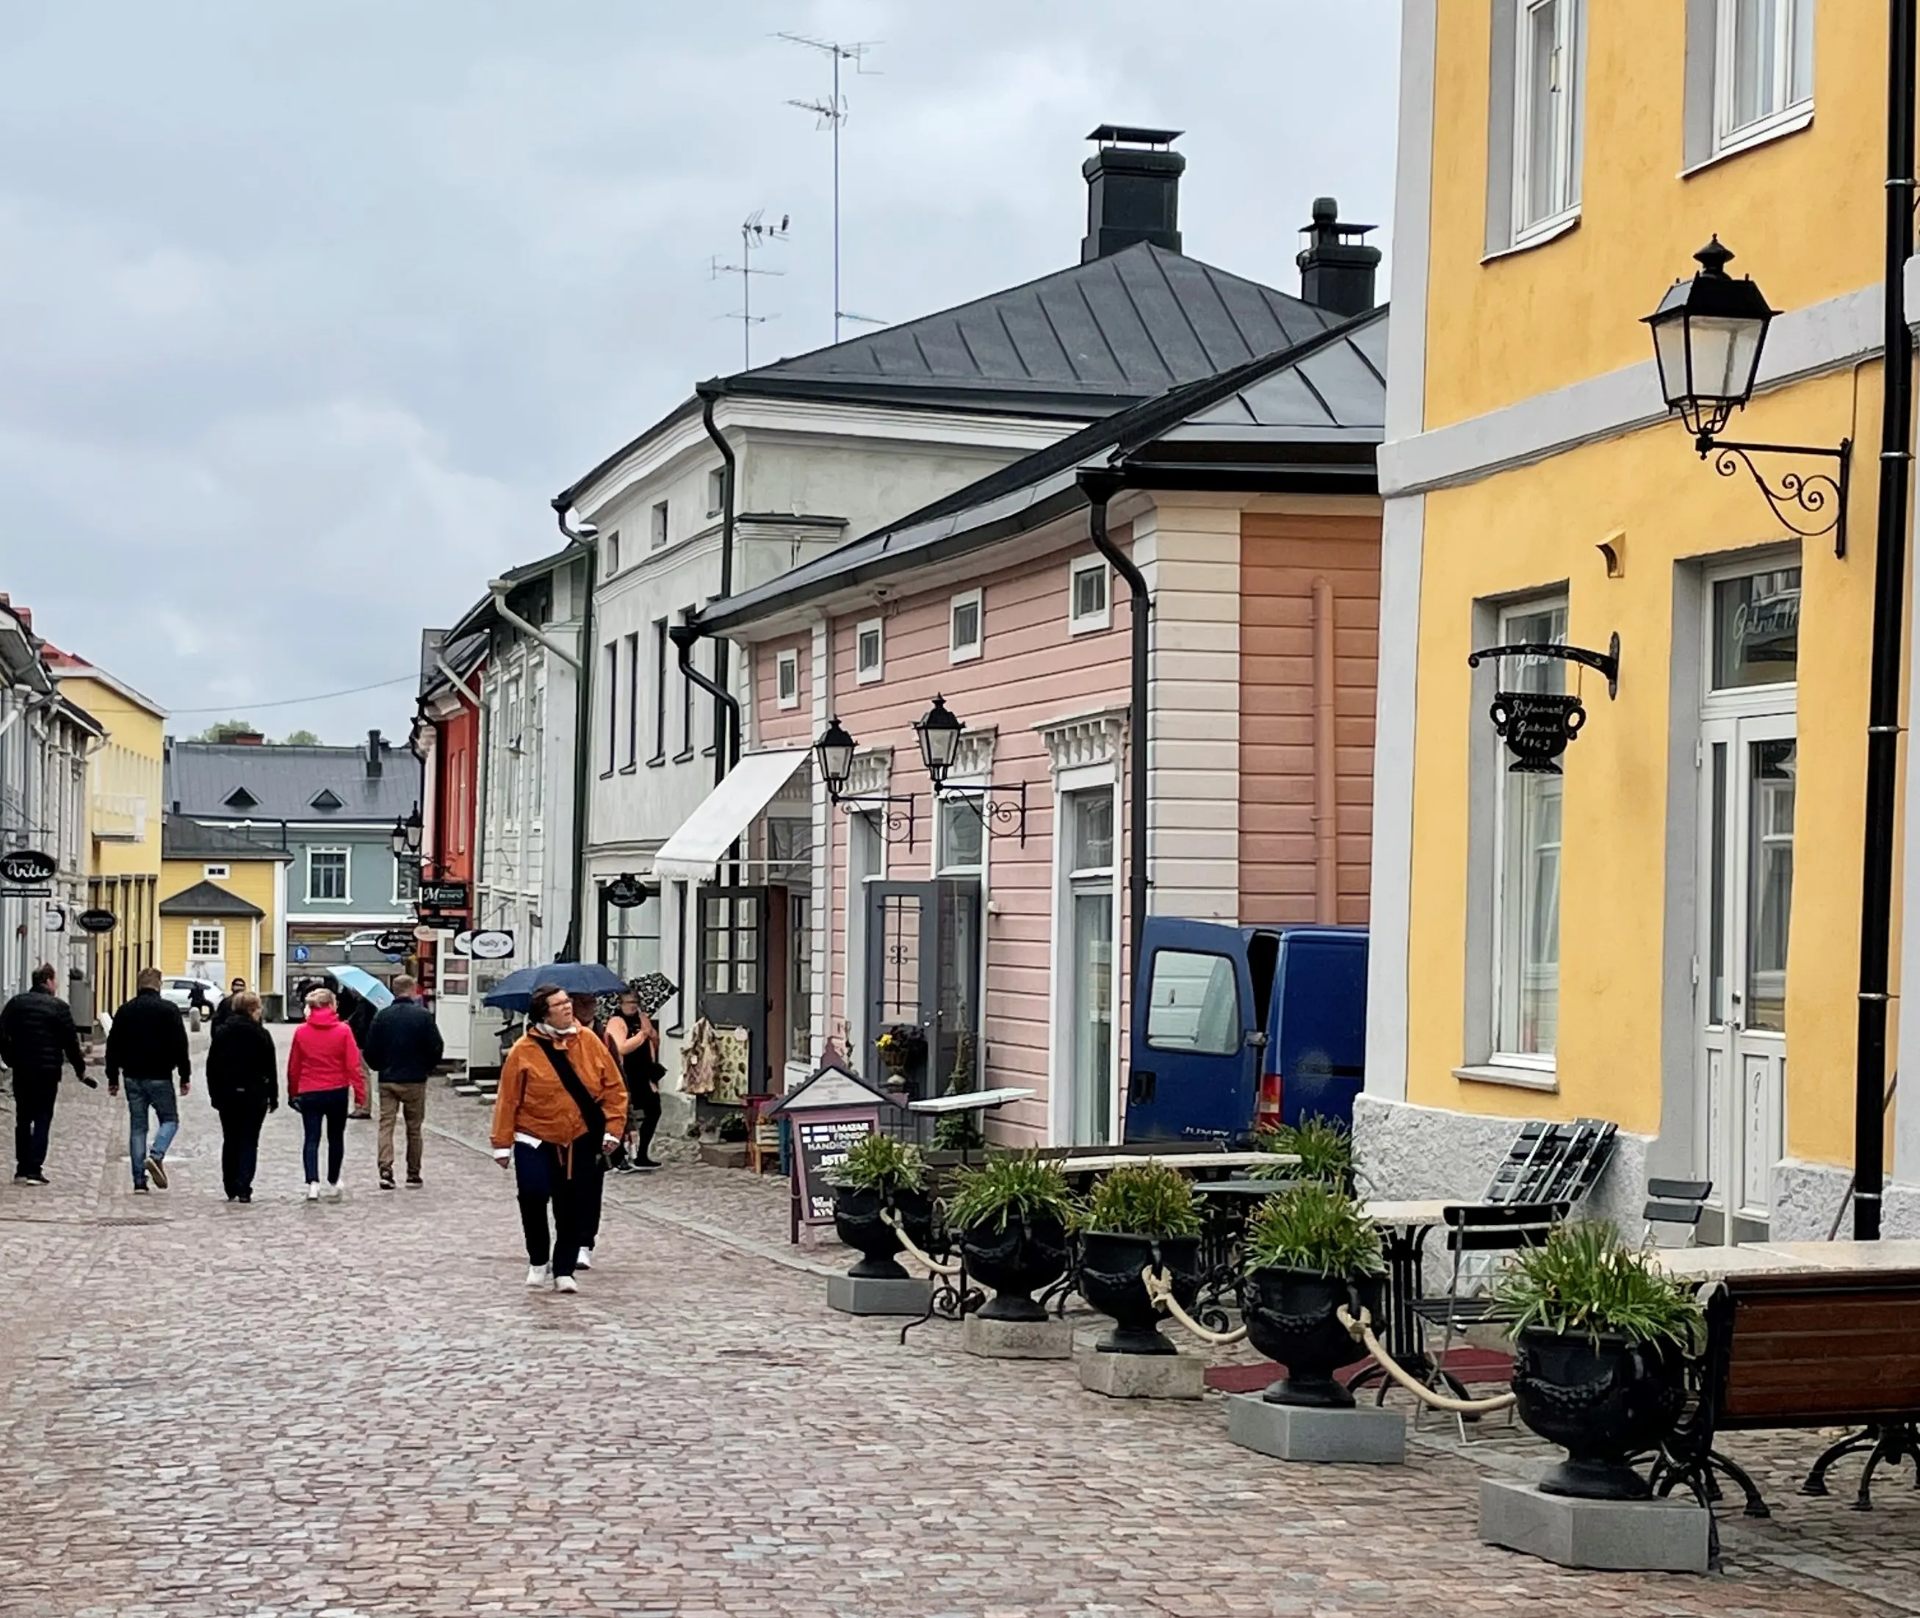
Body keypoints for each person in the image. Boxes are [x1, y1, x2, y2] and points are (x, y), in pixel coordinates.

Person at [490, 985, 625, 1294]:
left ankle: (564, 1269)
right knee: (533, 1194)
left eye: (568, 1002)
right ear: (543, 1012)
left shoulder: (589, 1041)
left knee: (571, 1204)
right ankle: (538, 1259)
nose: (568, 1008)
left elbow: (614, 1089)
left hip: (578, 1136)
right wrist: (502, 1142)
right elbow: (508, 1098)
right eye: (560, 1004)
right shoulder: (523, 1050)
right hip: (533, 1136)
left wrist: (613, 1129)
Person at [0, 963, 93, 1185]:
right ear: (49, 981)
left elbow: (2, 1034)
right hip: (48, 1072)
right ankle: (34, 1169)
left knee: (23, 1118)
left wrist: (10, 1058)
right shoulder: (58, 1008)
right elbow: (71, 1043)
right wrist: (80, 1070)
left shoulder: (16, 1004)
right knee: (42, 1118)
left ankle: (21, 1167)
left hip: (22, 1069)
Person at [105, 966, 192, 1193]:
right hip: (160, 1075)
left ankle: (139, 1182)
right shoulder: (169, 1010)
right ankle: (156, 1153)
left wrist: (112, 1077)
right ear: (159, 985)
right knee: (170, 1119)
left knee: (138, 1127)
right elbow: (180, 1045)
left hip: (132, 1076)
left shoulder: (125, 1010)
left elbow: (113, 1046)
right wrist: (184, 1075)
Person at [364, 974, 443, 1190]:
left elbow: (370, 1048)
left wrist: (379, 1067)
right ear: (413, 990)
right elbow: (436, 1047)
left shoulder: (382, 1016)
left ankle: (386, 1169)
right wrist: (427, 1068)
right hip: (415, 1079)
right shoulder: (423, 1016)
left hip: (388, 1079)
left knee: (386, 1125)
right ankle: (413, 1173)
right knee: (414, 1128)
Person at [287, 986, 366, 1202]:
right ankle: (334, 1178)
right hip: (336, 1089)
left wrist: (292, 1091)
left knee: (311, 1138)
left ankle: (312, 1182)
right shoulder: (343, 1030)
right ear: (331, 1005)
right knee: (335, 1137)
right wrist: (360, 1094)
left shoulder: (302, 1031)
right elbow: (353, 1065)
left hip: (310, 1090)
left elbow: (294, 1066)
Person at [567, 990, 627, 1270]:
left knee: (590, 1186)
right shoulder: (551, 1040)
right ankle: (566, 1237)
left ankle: (583, 1243)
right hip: (561, 1124)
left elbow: (619, 1085)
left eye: (591, 1002)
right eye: (582, 1003)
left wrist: (625, 1126)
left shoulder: (604, 1039)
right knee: (562, 1188)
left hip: (595, 1124)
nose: (588, 1007)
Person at [204, 990, 279, 1202]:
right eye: (258, 1008)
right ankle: (244, 1186)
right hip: (254, 1095)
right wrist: (273, 1096)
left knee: (230, 1139)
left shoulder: (222, 1032)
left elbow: (212, 1066)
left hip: (227, 1094)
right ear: (252, 1010)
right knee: (249, 1141)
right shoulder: (261, 1034)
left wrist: (214, 1094)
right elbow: (270, 1068)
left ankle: (229, 1185)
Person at [606, 986, 665, 1173]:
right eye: (629, 1002)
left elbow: (654, 1042)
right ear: (621, 1004)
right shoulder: (616, 1021)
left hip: (645, 1073)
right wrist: (642, 1035)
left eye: (635, 1002)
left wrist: (653, 1035)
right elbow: (621, 1048)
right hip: (625, 1074)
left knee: (654, 1110)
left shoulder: (642, 1018)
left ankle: (642, 1154)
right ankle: (618, 1156)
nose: (633, 1006)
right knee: (623, 1116)